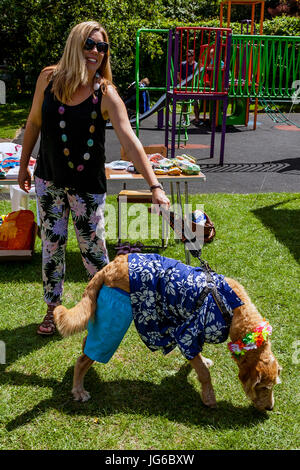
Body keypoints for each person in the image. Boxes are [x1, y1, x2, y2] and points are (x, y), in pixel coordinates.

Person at [18, 21, 170, 336]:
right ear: (76, 43)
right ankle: (52, 309)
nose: (96, 51)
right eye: (90, 43)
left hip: (86, 189)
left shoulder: (106, 92)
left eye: (102, 47)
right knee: (52, 247)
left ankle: (101, 311)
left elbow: (130, 141)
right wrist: (24, 165)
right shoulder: (48, 79)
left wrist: (154, 185)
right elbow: (33, 123)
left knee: (94, 253)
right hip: (48, 181)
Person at [177, 50, 200, 126]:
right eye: (187, 56)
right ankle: (185, 120)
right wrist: (182, 81)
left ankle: (197, 119)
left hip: (193, 86)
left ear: (193, 56)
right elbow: (178, 74)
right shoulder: (183, 64)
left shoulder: (196, 65)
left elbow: (198, 76)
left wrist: (196, 83)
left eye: (190, 56)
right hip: (184, 85)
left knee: (195, 103)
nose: (188, 58)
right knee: (184, 103)